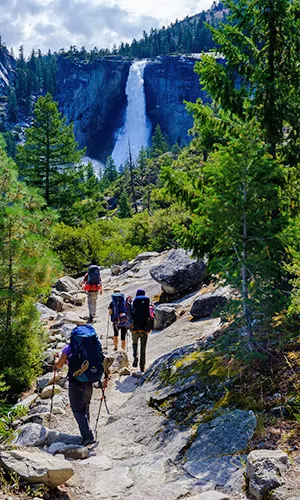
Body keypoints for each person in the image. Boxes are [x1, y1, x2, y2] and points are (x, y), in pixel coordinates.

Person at [54, 324, 111, 446]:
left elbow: (58, 366)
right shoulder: (94, 345)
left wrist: (56, 360)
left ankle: (87, 436)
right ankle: (86, 431)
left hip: (76, 381)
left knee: (76, 409)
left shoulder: (68, 348)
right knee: (85, 405)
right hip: (90, 379)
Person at [131, 288, 152, 372]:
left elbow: (132, 313)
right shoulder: (147, 301)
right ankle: (142, 367)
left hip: (135, 328)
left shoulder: (135, 301)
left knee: (134, 343)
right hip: (144, 328)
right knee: (143, 349)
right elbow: (150, 315)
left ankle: (135, 356)